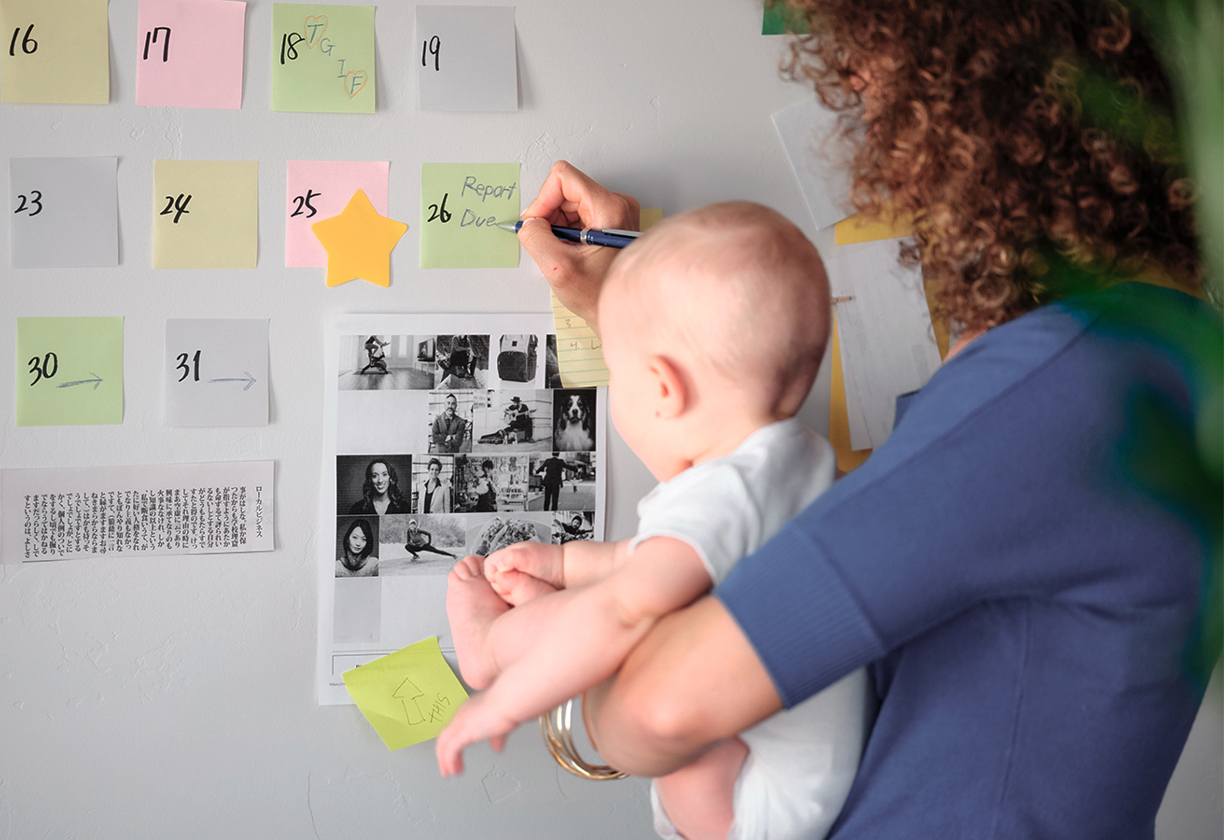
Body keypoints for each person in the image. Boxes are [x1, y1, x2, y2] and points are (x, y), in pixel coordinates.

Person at [508, 2, 1215, 837]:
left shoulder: (1054, 386)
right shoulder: (1157, 357)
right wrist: (634, 320)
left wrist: (540, 664)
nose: (849, 87)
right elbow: (788, 536)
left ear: (985, 73)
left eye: (875, 58)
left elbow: (666, 704)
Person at [438, 203, 869, 840]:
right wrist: (561, 565)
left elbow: (624, 607)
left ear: (663, 389)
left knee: (626, 626)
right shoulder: (794, 457)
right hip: (810, 773)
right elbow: (650, 561)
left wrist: (507, 701)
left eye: (618, 377)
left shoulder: (722, 492)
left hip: (749, 803)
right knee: (644, 606)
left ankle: (492, 651)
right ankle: (529, 619)